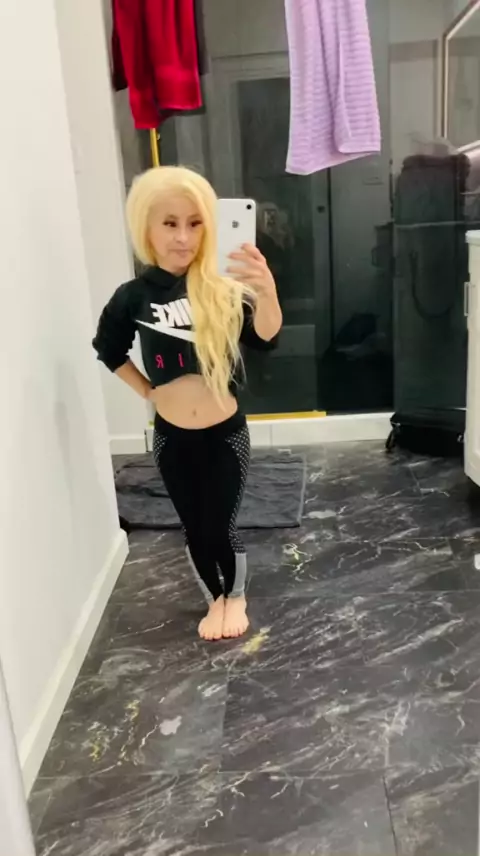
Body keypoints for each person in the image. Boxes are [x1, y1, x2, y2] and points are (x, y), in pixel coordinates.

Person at [93, 166, 282, 640]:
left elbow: (265, 337)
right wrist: (147, 391)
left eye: (195, 224)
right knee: (194, 526)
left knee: (220, 524)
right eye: (170, 223)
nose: (182, 237)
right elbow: (108, 349)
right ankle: (215, 598)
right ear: (147, 228)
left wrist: (267, 291)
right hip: (171, 437)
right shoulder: (132, 297)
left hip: (224, 434)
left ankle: (236, 596)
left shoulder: (223, 288)